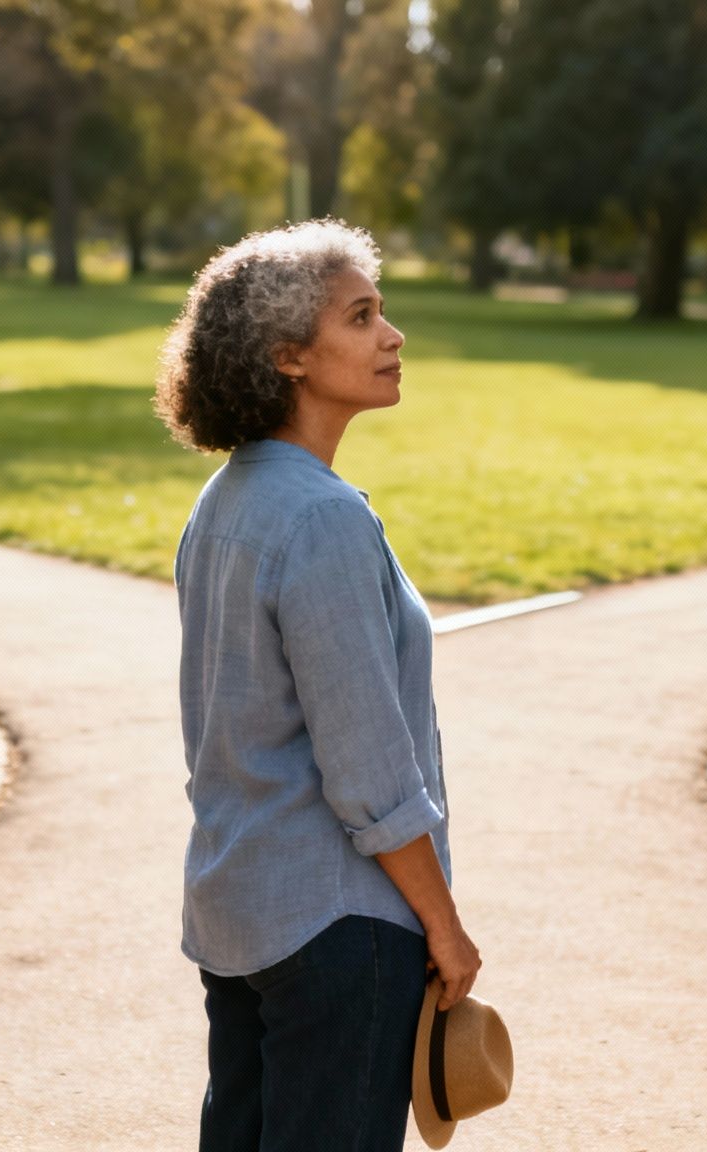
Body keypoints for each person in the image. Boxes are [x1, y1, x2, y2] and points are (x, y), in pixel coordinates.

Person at [155, 220, 483, 1152]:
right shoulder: (321, 518)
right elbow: (370, 770)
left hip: (243, 913)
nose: (394, 336)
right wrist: (445, 929)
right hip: (340, 926)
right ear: (289, 355)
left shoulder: (226, 501)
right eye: (363, 316)